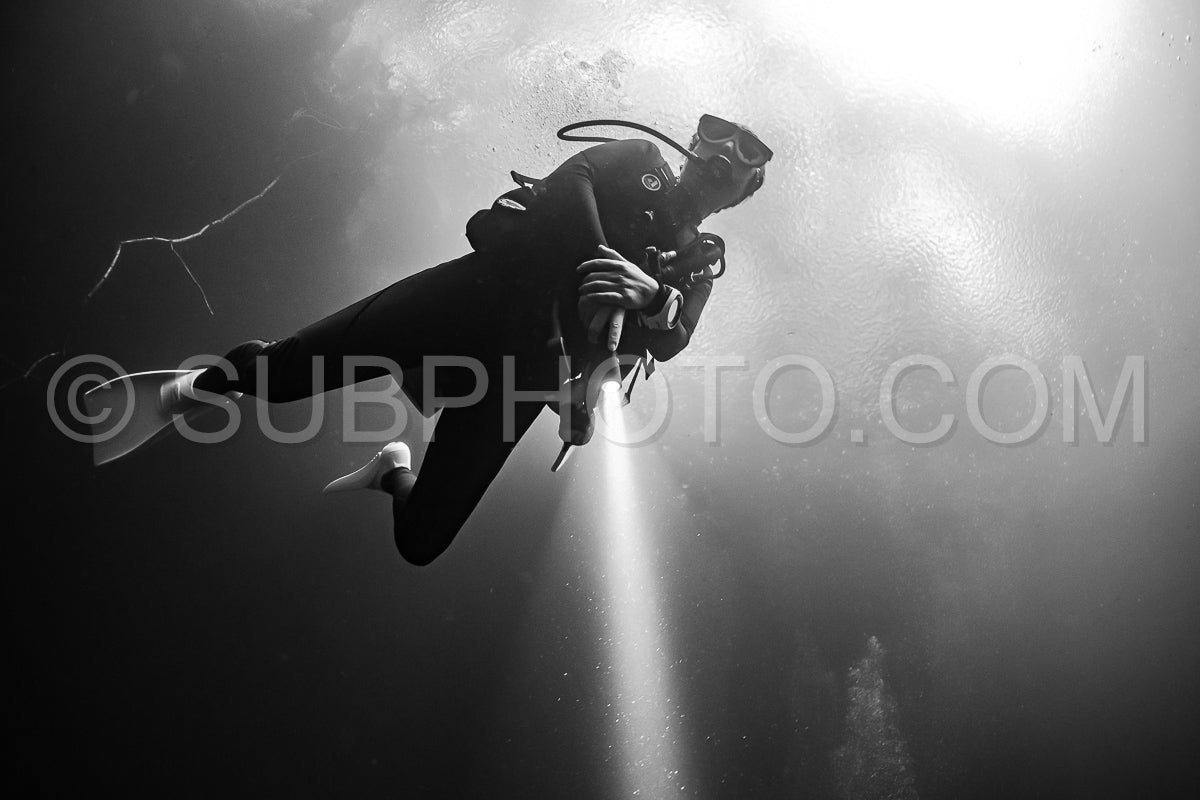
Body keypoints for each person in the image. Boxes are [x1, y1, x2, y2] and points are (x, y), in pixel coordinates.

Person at [163, 114, 772, 565]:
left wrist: (649, 296)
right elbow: (571, 180)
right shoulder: (635, 158)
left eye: (747, 154)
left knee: (421, 541)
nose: (727, 150)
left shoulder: (698, 268)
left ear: (746, 193)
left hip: (523, 379)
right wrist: (605, 271)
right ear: (690, 143)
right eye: (716, 133)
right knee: (279, 379)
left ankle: (391, 471)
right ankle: (189, 389)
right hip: (470, 299)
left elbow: (673, 341)